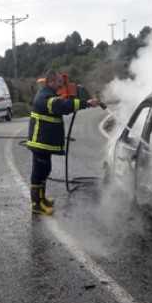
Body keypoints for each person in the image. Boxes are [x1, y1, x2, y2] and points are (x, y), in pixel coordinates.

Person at [26, 70, 99, 215]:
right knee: (39, 173)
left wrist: (77, 101)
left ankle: (42, 199)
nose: (62, 84)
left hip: (43, 143)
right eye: (59, 81)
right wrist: (86, 103)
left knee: (44, 171)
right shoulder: (45, 97)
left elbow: (63, 104)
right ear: (51, 82)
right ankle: (36, 204)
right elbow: (62, 106)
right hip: (40, 143)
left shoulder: (49, 94)